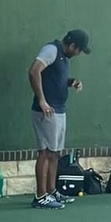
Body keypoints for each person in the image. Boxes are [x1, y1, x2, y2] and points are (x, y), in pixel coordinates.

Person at [28, 29, 90, 209]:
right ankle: (40, 196)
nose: (78, 54)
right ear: (72, 46)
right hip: (46, 112)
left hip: (59, 110)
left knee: (54, 153)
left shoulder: (63, 58)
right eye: (79, 50)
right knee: (45, 152)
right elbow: (34, 72)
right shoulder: (51, 50)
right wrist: (42, 101)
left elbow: (55, 78)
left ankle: (51, 191)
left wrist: (72, 82)